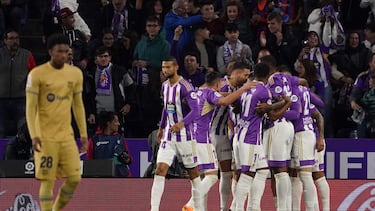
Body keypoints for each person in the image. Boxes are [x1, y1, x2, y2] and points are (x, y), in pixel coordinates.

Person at [25, 33, 88, 211]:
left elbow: (78, 105)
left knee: (75, 178)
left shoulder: (75, 74)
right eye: (59, 51)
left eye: (66, 51)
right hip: (45, 137)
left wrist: (83, 134)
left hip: (66, 136)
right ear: (50, 51)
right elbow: (30, 108)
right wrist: (34, 135)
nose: (63, 55)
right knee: (48, 179)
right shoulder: (37, 74)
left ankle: (56, 209)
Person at [183, 69, 254, 211]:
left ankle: (202, 208)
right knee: (212, 176)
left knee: (205, 176)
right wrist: (245, 88)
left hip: (193, 137)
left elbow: (188, 100)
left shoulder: (198, 92)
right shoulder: (210, 93)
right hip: (205, 138)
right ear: (217, 84)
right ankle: (191, 204)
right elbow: (224, 100)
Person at [150, 56, 203, 211]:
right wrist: (162, 126)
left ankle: (198, 207)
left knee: (193, 173)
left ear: (176, 67)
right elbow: (167, 108)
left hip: (185, 136)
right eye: (163, 67)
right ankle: (154, 209)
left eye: (168, 67)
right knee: (159, 170)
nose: (165, 70)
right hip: (169, 136)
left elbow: (196, 111)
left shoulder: (185, 86)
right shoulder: (164, 86)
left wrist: (181, 123)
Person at [85, 46, 136, 137]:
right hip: (98, 113)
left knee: (117, 138)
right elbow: (89, 95)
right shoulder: (91, 73)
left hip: (116, 112)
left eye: (105, 56)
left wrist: (128, 104)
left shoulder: (120, 71)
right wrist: (90, 112)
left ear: (110, 57)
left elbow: (131, 87)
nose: (103, 59)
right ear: (96, 59)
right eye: (100, 57)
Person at [0, 29, 36, 138]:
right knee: (1, 130)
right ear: (5, 41)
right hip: (1, 99)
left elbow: (34, 74)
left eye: (17, 38)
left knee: (22, 132)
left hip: (21, 99)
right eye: (11, 38)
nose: (15, 41)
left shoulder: (27, 55)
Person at [87, 111, 132, 177]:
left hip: (121, 178)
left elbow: (129, 160)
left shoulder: (120, 138)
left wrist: (127, 159)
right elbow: (89, 162)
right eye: (116, 121)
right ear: (108, 123)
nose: (118, 124)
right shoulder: (94, 140)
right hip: (100, 179)